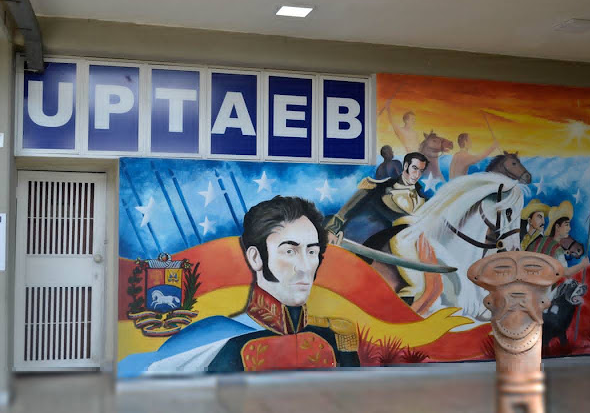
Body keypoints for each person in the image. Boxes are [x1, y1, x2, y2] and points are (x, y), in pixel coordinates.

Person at [118, 196, 359, 377]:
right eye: (289, 251)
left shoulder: (333, 337)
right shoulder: (221, 345)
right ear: (255, 257)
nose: (305, 266)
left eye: (312, 252)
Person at [325, 152, 429, 305]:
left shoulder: (423, 198)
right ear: (406, 166)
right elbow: (348, 208)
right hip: (377, 242)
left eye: (421, 171)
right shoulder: (381, 187)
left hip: (416, 246)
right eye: (414, 168)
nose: (417, 174)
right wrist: (332, 229)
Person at [526, 200, 589, 278]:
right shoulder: (557, 249)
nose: (569, 228)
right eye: (566, 225)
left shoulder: (540, 241)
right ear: (557, 227)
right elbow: (566, 272)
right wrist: (582, 265)